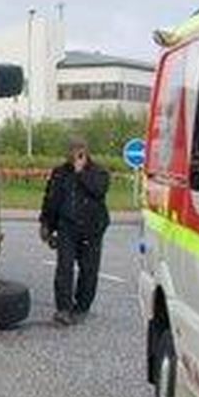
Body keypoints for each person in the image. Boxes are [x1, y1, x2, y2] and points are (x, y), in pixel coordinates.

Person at [40, 136, 111, 325]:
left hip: (92, 228)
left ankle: (82, 307)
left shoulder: (98, 172)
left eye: (79, 150)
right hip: (67, 228)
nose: (74, 154)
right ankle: (63, 308)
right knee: (64, 268)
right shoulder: (59, 173)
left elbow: (99, 190)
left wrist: (81, 173)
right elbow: (50, 199)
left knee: (88, 270)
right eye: (71, 150)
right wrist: (46, 223)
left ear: (86, 151)